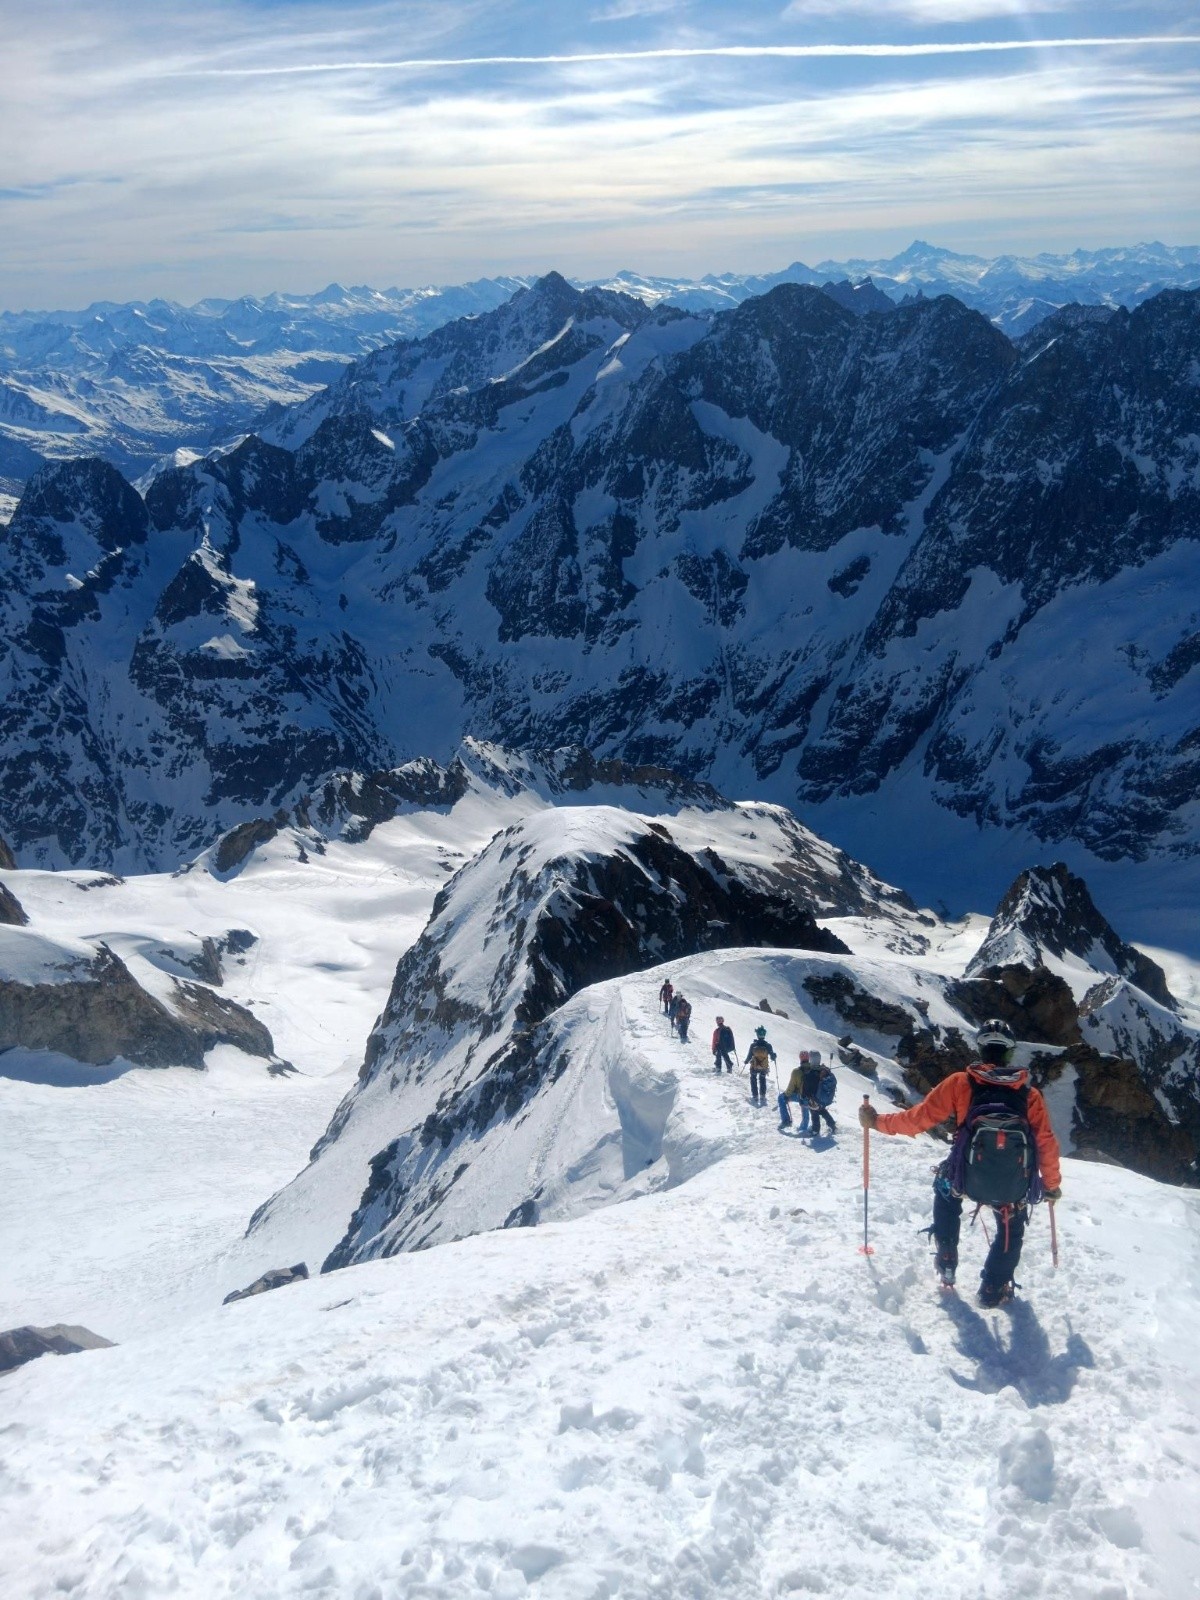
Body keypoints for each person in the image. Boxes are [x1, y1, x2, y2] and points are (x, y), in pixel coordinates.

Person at [859, 1018, 1062, 1307]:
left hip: (965, 1176)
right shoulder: (1029, 1096)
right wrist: (1051, 1186)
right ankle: (994, 1287)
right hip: (1012, 1186)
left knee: (944, 1189)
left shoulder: (960, 1083)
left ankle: (946, 1257)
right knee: (1011, 1224)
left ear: (980, 1048)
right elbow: (1045, 1143)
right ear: (1009, 1053)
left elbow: (918, 1119)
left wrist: (877, 1121)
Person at [777, 1050, 812, 1132]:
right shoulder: (813, 1069)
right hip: (811, 1097)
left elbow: (791, 1087)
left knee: (781, 1098)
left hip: (799, 1096)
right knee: (805, 1108)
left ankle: (786, 1121)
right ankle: (804, 1127)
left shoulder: (796, 1072)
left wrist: (786, 1095)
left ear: (800, 1059)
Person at [806, 1054, 837, 1138]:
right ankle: (832, 1125)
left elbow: (810, 1086)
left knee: (814, 1112)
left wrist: (806, 1095)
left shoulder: (814, 1073)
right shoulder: (826, 1073)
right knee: (822, 1110)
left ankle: (815, 1130)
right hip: (824, 1099)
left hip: (816, 1098)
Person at [746, 1025, 776, 1104]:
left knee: (753, 1079)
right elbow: (772, 1057)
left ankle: (755, 1095)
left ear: (757, 1035)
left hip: (754, 1066)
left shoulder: (753, 1045)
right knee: (762, 1079)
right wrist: (774, 1056)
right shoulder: (768, 1045)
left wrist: (746, 1061)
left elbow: (749, 1056)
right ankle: (762, 1095)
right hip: (764, 1066)